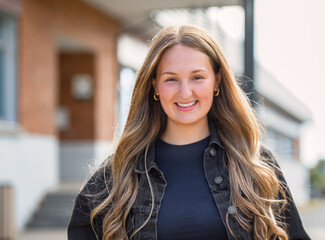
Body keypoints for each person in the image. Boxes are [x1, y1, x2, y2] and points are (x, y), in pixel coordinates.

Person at [68, 25, 310, 240]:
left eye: (197, 77)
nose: (185, 93)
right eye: (171, 79)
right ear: (154, 84)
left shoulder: (253, 164)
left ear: (217, 80)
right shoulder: (118, 175)